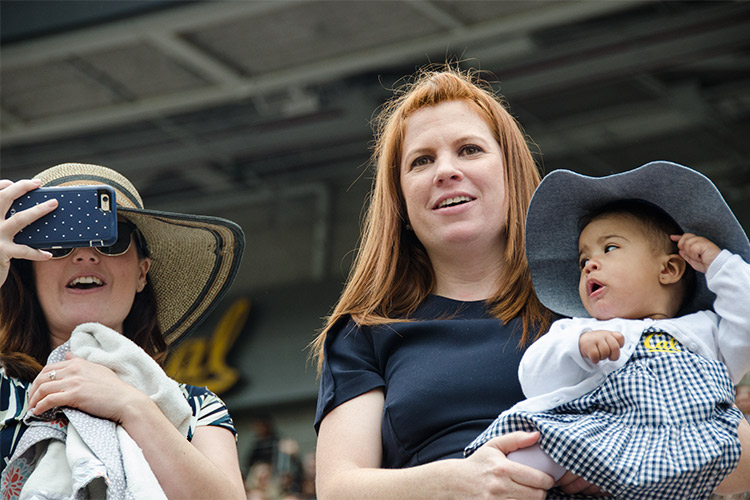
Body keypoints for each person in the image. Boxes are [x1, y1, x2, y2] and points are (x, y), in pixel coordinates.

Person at [310, 65, 604, 499]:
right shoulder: (363, 333)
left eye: (469, 149)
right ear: (401, 200)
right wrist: (454, 481)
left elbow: (734, 454)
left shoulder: (592, 298)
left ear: (511, 173)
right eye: (421, 160)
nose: (445, 171)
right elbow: (338, 488)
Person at [465, 161, 750, 498]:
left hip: (684, 449)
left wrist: (720, 265)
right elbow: (534, 378)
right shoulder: (577, 330)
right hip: (599, 440)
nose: (590, 265)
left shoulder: (706, 332)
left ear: (670, 268)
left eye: (609, 248)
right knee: (522, 459)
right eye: (583, 260)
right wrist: (579, 348)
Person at [0, 163, 247, 499]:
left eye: (111, 238)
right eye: (60, 242)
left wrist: (129, 405)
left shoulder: (195, 407)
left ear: (142, 272)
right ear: (30, 274)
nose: (85, 255)